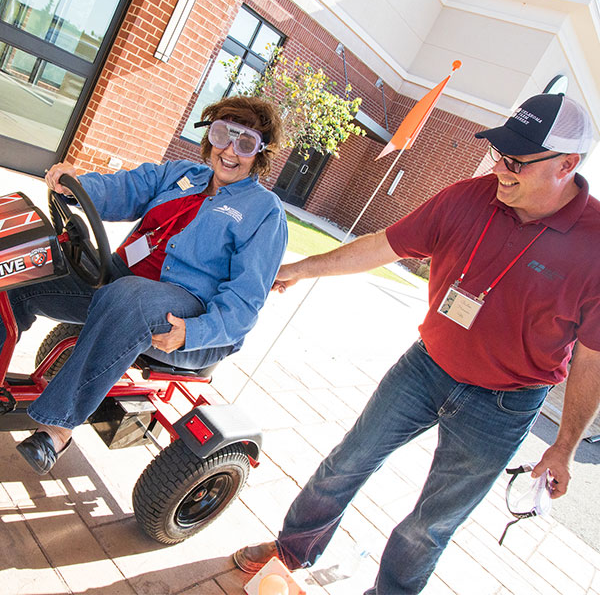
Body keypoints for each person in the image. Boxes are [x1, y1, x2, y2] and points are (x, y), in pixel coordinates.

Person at [233, 93, 600, 593]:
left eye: (515, 161)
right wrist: (299, 269)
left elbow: (592, 357)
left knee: (432, 524)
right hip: (425, 366)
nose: (500, 170)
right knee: (347, 462)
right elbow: (383, 245)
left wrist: (563, 447)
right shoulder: (468, 197)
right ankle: (292, 548)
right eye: (498, 153)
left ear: (567, 165)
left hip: (505, 404)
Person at [8, 95, 288, 475]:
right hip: (120, 284)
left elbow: (243, 304)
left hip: (186, 320)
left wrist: (193, 332)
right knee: (33, 262)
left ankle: (58, 427)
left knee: (129, 297)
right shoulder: (180, 174)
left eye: (245, 143)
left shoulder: (265, 213)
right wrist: (77, 186)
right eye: (223, 134)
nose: (229, 151)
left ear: (260, 153)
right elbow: (124, 188)